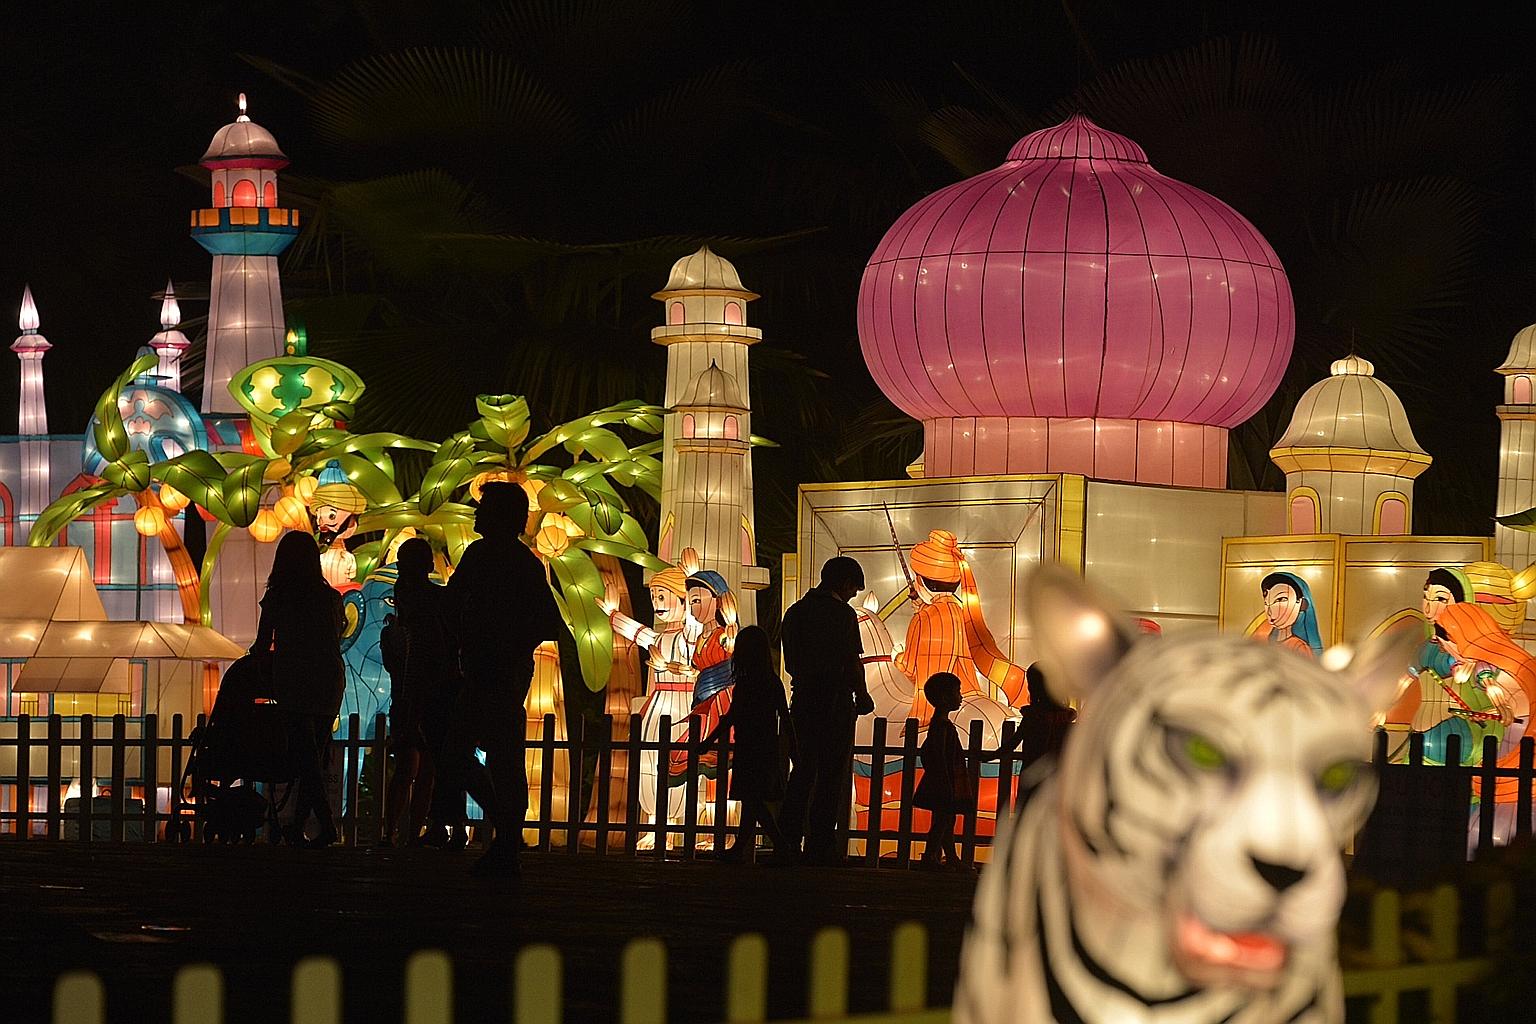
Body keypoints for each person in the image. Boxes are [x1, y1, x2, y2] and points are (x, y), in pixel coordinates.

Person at [439, 483, 563, 875]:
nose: (476, 515)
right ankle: (508, 834)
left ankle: (507, 836)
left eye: (484, 508)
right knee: (488, 756)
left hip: (497, 672)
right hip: (490, 670)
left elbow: (548, 622)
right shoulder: (508, 560)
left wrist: (500, 643)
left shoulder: (499, 559)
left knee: (483, 755)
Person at [251, 531, 345, 849]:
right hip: (329, 678)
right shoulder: (330, 597)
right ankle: (299, 826)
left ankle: (325, 825)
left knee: (306, 755)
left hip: (294, 677)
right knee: (313, 756)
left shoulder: (279, 596)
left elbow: (262, 643)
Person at [779, 556, 875, 865]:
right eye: (853, 590)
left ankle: (788, 840)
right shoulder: (842, 615)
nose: (852, 595)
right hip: (834, 701)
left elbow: (792, 663)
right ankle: (821, 844)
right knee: (832, 774)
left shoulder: (795, 613)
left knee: (803, 771)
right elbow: (851, 661)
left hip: (803, 699)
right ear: (845, 584)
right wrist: (862, 696)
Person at [381, 538, 456, 847]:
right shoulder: (435, 599)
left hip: (412, 691)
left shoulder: (409, 604)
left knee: (409, 766)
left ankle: (394, 832)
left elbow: (409, 655)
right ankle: (415, 831)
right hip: (430, 690)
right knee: (427, 766)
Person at [701, 625, 792, 863]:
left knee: (752, 800)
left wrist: (708, 741)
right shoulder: (772, 681)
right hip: (766, 746)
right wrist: (792, 744)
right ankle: (742, 847)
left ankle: (779, 844)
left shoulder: (747, 682)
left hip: (749, 746)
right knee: (753, 800)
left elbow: (731, 716)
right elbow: (784, 715)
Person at [913, 672, 973, 870]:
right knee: (943, 820)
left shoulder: (939, 724)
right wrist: (945, 779)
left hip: (944, 779)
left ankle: (949, 856)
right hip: (945, 780)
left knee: (946, 819)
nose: (960, 696)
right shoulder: (941, 725)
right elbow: (937, 752)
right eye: (957, 692)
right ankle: (931, 855)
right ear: (945, 698)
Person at [997, 663, 1077, 778]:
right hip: (1058, 775)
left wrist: (988, 756)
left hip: (1032, 773)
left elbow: (1012, 743)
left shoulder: (1033, 716)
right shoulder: (1065, 717)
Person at [1254, 571, 1323, 658]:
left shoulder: (1299, 647)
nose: (1270, 611)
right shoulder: (1262, 637)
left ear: (1301, 603)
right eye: (1266, 603)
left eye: (1281, 600)